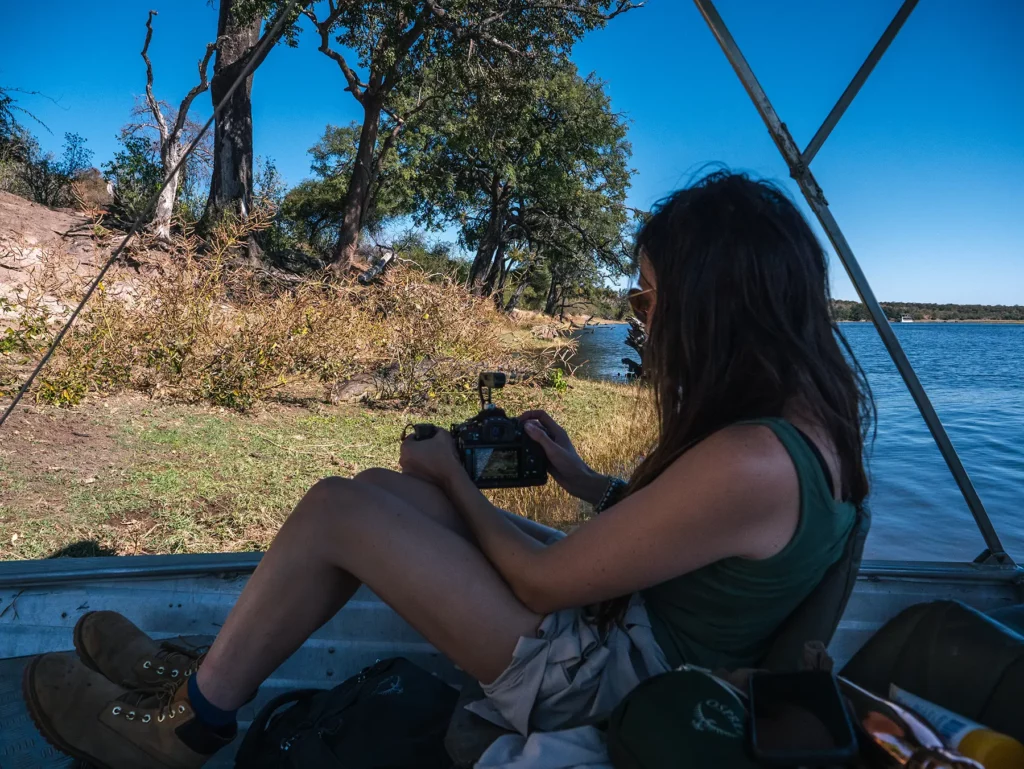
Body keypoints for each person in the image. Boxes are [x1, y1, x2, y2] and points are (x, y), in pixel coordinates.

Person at [24, 171, 872, 768]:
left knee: (337, 509)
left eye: (648, 296)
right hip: (629, 622)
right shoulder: (806, 426)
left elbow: (543, 584)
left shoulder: (754, 458)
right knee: (384, 492)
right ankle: (204, 671)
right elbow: (703, 550)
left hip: (617, 676)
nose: (638, 315)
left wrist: (456, 478)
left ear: (716, 302)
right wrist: (578, 479)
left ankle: (189, 725)